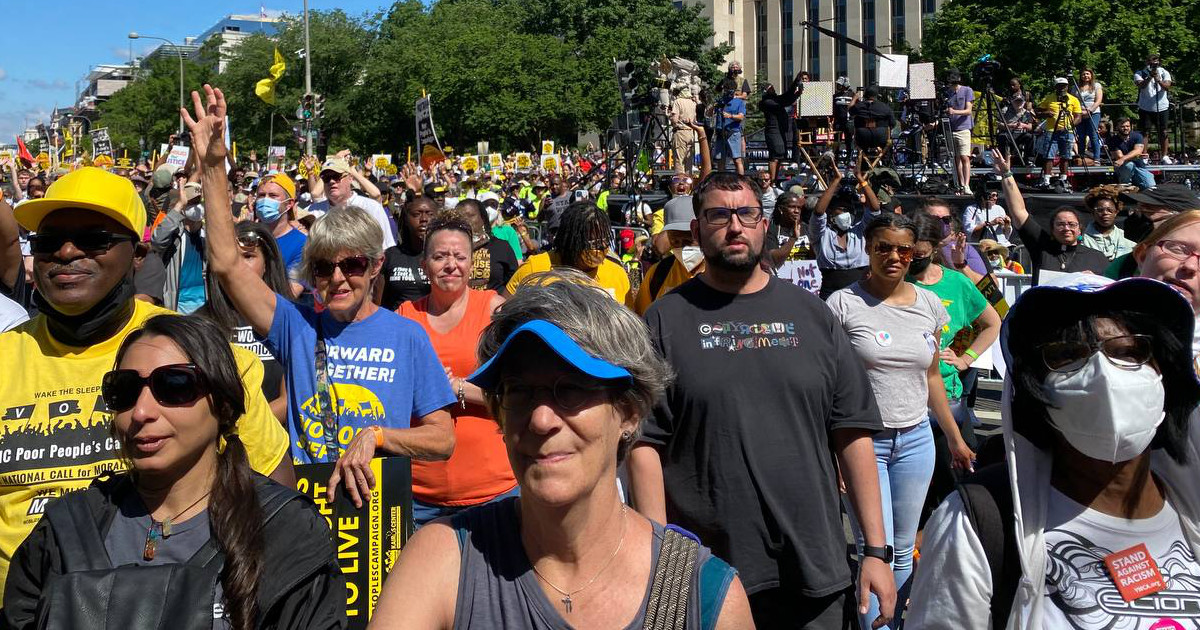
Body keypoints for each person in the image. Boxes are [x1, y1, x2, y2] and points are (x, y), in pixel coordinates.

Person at [372, 271, 754, 628]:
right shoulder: (444, 561)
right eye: (519, 391)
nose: (540, 420)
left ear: (630, 412)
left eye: (570, 389)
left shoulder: (700, 596)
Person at [0, 165, 292, 595]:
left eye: (92, 239)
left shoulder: (207, 353)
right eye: (48, 241)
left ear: (136, 253)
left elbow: (276, 502)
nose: (64, 252)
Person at [628, 171, 897, 628]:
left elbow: (851, 432)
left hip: (815, 565)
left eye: (746, 213)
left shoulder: (812, 313)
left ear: (763, 223)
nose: (735, 226)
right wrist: (657, 554)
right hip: (707, 571)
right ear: (696, 231)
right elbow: (644, 443)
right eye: (718, 215)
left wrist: (875, 551)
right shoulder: (663, 320)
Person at [185, 86, 455, 502]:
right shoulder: (295, 325)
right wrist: (215, 166)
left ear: (376, 265)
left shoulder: (407, 335)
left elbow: (442, 439)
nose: (339, 279)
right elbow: (226, 264)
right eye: (325, 268)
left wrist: (378, 437)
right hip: (306, 509)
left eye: (353, 266)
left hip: (380, 514)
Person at [2, 315, 345, 629]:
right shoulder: (67, 528)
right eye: (124, 390)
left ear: (223, 404)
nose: (141, 412)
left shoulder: (285, 530)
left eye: (174, 385)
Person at [908, 273, 1200, 628]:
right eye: (1066, 356)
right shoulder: (977, 520)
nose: (1103, 376)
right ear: (1034, 392)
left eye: (1128, 351)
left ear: (1166, 373)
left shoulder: (1191, 507)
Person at [827, 213, 975, 628]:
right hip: (861, 445)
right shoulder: (842, 304)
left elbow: (930, 377)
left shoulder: (928, 303)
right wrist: (832, 450)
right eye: (883, 247)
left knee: (906, 546)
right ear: (868, 249)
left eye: (904, 249)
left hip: (916, 440)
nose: (894, 256)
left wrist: (954, 438)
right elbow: (827, 385)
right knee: (877, 548)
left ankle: (896, 624)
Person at [397, 217, 515, 526]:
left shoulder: (494, 310)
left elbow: (517, 395)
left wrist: (457, 388)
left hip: (492, 489)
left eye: (459, 256)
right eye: (440, 256)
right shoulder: (405, 317)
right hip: (420, 494)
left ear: (472, 262)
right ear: (424, 265)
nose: (451, 265)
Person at [907, 214, 1002, 520]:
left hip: (948, 398)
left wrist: (963, 357)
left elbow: (991, 322)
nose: (913, 261)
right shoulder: (894, 280)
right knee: (915, 499)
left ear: (934, 248)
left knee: (957, 490)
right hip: (904, 403)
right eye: (909, 253)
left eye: (920, 254)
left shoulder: (956, 282)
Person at [196, 221, 293, 422]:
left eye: (248, 256)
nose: (237, 267)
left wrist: (247, 429)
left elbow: (288, 399)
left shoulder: (292, 320)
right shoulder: (198, 324)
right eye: (231, 258)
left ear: (267, 262)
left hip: (275, 442)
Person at [993, 150, 1108, 282]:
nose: (1066, 228)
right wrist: (1006, 174)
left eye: (1072, 224)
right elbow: (1019, 212)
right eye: (1060, 224)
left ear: (1079, 229)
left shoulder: (1097, 257)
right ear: (1052, 229)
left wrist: (1095, 281)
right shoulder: (1041, 246)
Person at [505, 202, 630, 303]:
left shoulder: (617, 273)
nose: (602, 248)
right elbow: (502, 311)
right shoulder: (534, 268)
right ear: (570, 240)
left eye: (605, 240)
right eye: (593, 243)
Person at [810, 168, 884, 298]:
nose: (846, 213)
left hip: (861, 292)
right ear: (831, 214)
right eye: (842, 210)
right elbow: (818, 213)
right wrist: (835, 181)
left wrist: (861, 180)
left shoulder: (860, 231)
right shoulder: (822, 235)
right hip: (830, 293)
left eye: (849, 210)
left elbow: (875, 209)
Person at [632, 194, 706, 315]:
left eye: (688, 241)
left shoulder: (721, 274)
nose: (682, 247)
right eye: (675, 241)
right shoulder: (657, 274)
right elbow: (643, 319)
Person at [309, 157, 396, 250]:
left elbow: (386, 247)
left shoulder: (371, 208)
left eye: (336, 176)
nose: (331, 181)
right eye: (326, 178)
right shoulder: (313, 212)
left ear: (350, 178)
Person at [150, 181, 207, 313]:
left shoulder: (207, 235)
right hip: (178, 304)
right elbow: (157, 240)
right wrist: (179, 205)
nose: (197, 206)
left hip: (205, 303)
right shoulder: (175, 235)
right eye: (192, 202)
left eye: (200, 201)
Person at [378, 195, 437, 310]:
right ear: (405, 219)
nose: (424, 219)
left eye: (430, 214)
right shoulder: (389, 256)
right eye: (416, 214)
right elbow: (376, 301)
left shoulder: (444, 257)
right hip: (395, 324)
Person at [456, 198, 518, 292]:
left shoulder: (501, 247)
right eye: (460, 217)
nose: (465, 221)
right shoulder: (448, 248)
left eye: (470, 215)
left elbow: (513, 281)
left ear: (483, 219)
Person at [1036, 78, 1083, 190]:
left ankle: (1063, 179)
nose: (1062, 88)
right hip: (1052, 130)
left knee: (1066, 156)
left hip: (1067, 131)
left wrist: (1070, 125)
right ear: (1055, 87)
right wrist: (1046, 113)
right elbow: (1037, 112)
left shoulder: (1073, 99)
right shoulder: (1049, 98)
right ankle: (1046, 180)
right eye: (1059, 86)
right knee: (1049, 155)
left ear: (1067, 87)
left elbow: (1078, 117)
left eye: (1064, 86)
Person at [760, 76, 803, 181]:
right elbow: (785, 100)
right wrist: (795, 92)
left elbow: (786, 96)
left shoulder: (775, 99)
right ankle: (772, 181)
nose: (773, 89)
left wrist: (796, 85)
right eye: (771, 88)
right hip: (773, 131)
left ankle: (776, 178)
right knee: (774, 156)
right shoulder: (767, 102)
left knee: (780, 155)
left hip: (780, 130)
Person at [1081, 185, 1136, 261]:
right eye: (1100, 210)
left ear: (1116, 212)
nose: (1105, 213)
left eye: (1109, 210)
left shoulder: (1127, 237)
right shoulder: (1082, 239)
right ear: (1093, 212)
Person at [1135, 54, 1173, 160]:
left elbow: (1167, 87)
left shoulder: (1164, 72)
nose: (1153, 64)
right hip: (1145, 107)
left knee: (1163, 131)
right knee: (1145, 132)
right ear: (1147, 62)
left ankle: (1165, 156)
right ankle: (1144, 155)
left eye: (1156, 61)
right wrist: (1150, 76)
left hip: (1162, 107)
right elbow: (1141, 85)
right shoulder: (1140, 72)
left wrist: (1158, 79)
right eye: (1151, 61)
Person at [945, 69, 975, 195]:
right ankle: (961, 184)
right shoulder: (948, 93)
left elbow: (968, 110)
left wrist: (954, 112)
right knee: (956, 158)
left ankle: (967, 184)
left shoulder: (967, 90)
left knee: (964, 157)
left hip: (963, 128)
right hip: (951, 128)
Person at [1108, 117, 1156, 189]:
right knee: (1129, 165)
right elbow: (1119, 157)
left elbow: (1138, 151)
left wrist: (1124, 158)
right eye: (1122, 126)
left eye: (1127, 126)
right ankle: (1124, 185)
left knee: (1150, 186)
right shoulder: (1113, 140)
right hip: (1123, 168)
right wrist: (1135, 156)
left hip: (1139, 166)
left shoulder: (1137, 136)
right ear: (1117, 127)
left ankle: (1136, 184)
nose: (1126, 128)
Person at [850, 87, 895, 158]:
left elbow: (850, 110)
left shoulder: (858, 106)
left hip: (862, 137)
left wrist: (854, 98)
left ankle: (864, 163)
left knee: (862, 147)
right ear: (876, 96)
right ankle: (886, 162)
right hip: (881, 137)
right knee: (887, 147)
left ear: (865, 95)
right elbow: (892, 123)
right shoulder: (885, 107)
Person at [713, 80, 747, 175]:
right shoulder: (720, 101)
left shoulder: (739, 102)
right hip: (720, 133)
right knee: (720, 160)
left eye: (731, 90)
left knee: (737, 160)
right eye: (727, 90)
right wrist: (712, 106)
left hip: (733, 133)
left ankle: (741, 180)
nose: (729, 92)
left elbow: (741, 116)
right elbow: (709, 113)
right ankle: (721, 182)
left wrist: (730, 116)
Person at [1073, 68, 1105, 163]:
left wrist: (1090, 110)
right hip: (1079, 113)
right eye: (1083, 74)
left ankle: (1097, 158)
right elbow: (1073, 100)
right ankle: (1081, 156)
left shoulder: (1096, 86)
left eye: (1087, 74)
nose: (1086, 76)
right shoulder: (1075, 87)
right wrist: (1078, 111)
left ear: (1091, 75)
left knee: (1093, 134)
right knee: (1081, 135)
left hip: (1093, 112)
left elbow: (1098, 100)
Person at [670, 86, 700, 175]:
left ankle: (680, 185)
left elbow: (675, 119)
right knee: (688, 162)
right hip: (690, 132)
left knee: (679, 160)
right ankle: (689, 185)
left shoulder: (678, 102)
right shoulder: (693, 103)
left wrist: (669, 116)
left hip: (680, 132)